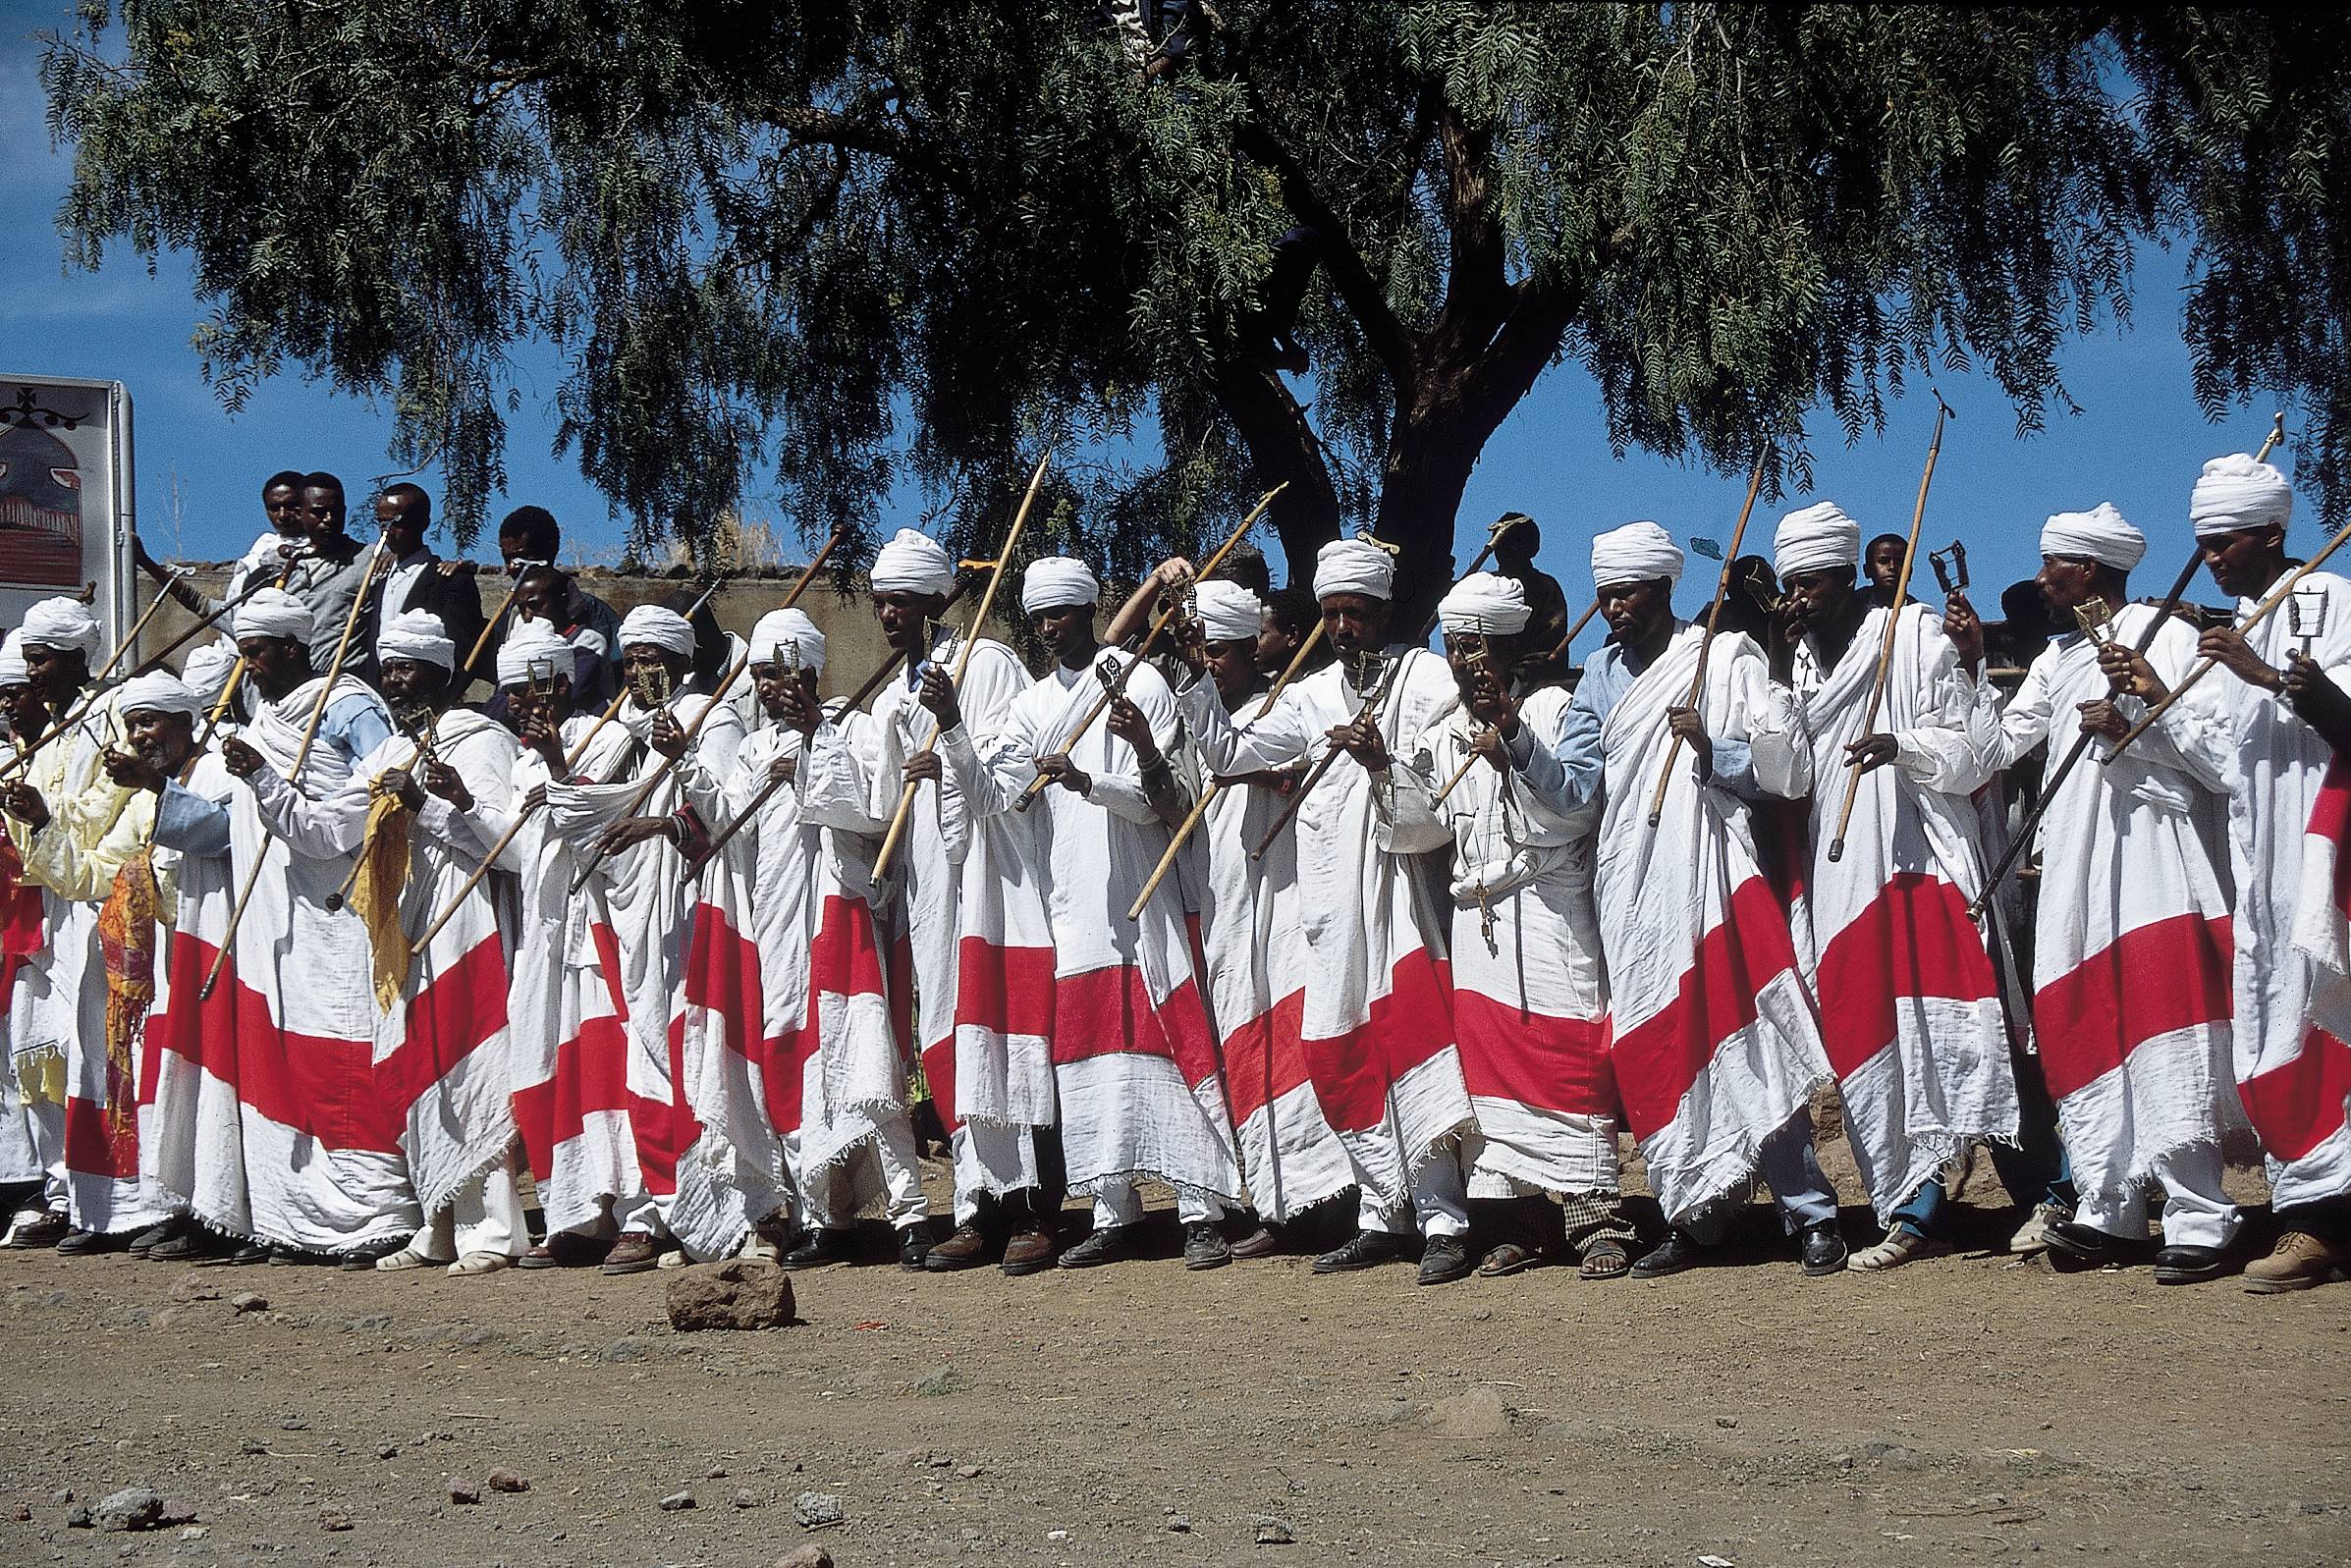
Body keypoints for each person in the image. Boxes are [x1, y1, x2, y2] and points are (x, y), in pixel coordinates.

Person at [1542, 521, 1846, 1279]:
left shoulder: (1723, 655)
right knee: (1664, 1045)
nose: (1612, 607)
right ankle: (1693, 1213)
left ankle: (1809, 1210)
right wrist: (1519, 741)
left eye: (1627, 592)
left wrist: (1714, 752)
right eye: (1605, 593)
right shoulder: (1598, 679)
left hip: (1711, 877)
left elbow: (1782, 771)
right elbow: (1576, 794)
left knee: (1748, 1040)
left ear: (1665, 587)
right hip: (1634, 889)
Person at [1172, 537, 1478, 1285]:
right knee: (1339, 1051)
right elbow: (1230, 755)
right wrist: (1192, 674)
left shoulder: (1430, 680)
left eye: (1357, 613)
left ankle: (1444, 1217)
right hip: (1333, 914)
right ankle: (1382, 1212)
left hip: (1405, 902)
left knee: (1414, 1049)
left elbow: (1442, 804)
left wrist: (1381, 762)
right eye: (1332, 614)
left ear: (1384, 612)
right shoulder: (1307, 698)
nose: (1343, 628)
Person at [1957, 506, 2244, 1283]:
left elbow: (2220, 760)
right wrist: (1972, 664)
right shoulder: (2055, 660)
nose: (2042, 579)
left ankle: (2198, 1210)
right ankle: (2109, 1203)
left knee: (2164, 1021)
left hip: (2155, 861)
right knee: (2086, 1021)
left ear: (2087, 570)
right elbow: (1992, 747)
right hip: (2076, 872)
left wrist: (2142, 711)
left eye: (2052, 565)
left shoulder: (2171, 635)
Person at [941, 558, 1242, 1271]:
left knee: (1170, 1041)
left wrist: (1094, 776)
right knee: (1090, 1058)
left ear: (1088, 609)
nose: (1050, 628)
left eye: (1062, 614)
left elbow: (1166, 804)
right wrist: (953, 729)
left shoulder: (1140, 681)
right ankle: (1115, 1209)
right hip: (1071, 905)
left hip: (1140, 892)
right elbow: (991, 799)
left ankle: (1201, 1208)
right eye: (1040, 616)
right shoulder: (1029, 705)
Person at [2099, 456, 2351, 1290]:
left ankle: (2321, 1222)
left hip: (2326, 853)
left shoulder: (2334, 600)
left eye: (2224, 541)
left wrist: (2271, 676)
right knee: (2276, 1028)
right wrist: (2160, 697)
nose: (2210, 557)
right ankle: (2309, 1210)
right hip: (2261, 868)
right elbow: (2220, 764)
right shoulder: (2235, 625)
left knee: (2330, 1021)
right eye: (2202, 543)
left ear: (2273, 534)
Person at [1766, 502, 2018, 1271]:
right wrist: (1777, 665)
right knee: (1868, 1030)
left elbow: (1973, 752)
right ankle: (1909, 1203)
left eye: (1811, 584)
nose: (1799, 599)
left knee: (1959, 1030)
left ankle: (2048, 1190)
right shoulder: (1799, 663)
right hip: (1843, 874)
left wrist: (1899, 744)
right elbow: (1787, 776)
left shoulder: (1909, 638)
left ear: (1846, 579)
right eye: (1790, 586)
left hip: (1920, 863)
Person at [238, 611, 527, 1275]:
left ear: (442, 671)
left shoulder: (480, 738)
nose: (396, 679)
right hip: (406, 923)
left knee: (472, 1064)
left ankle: (496, 1228)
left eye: (409, 666)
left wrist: (427, 799)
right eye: (389, 666)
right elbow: (320, 833)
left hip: (466, 916)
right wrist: (261, 777)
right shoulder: (391, 751)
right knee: (420, 1067)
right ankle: (437, 1220)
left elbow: (504, 848)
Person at [809, 530, 1062, 1275]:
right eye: (881, 601)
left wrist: (949, 738)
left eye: (901, 601)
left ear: (936, 600)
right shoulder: (894, 690)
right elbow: (888, 797)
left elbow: (1007, 779)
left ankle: (1035, 1208)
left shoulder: (985, 661)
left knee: (1008, 1027)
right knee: (953, 1023)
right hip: (930, 885)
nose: (887, 613)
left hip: (992, 877)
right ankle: (978, 1204)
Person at [1377, 572, 1640, 1278]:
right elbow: (1421, 828)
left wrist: (1517, 741)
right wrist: (1382, 770)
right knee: (1493, 1078)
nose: (1464, 663)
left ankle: (1596, 1218)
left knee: (1568, 1054)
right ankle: (1519, 1220)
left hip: (1548, 904)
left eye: (1476, 647)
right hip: (1479, 918)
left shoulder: (1558, 708)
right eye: (1455, 648)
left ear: (1506, 647)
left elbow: (1576, 807)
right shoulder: (1441, 731)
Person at [541, 604, 779, 1271]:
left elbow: (732, 821)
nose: (643, 669)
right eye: (633, 658)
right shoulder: (619, 733)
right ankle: (648, 1210)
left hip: (691, 913)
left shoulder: (713, 716)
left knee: (690, 1059)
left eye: (655, 658)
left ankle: (713, 1213)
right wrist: (560, 759)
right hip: (627, 920)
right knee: (634, 1062)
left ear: (679, 663)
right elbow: (593, 809)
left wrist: (666, 818)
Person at [190, 587, 413, 1264]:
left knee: (348, 1060)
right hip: (281, 918)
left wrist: (266, 781)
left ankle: (376, 1212)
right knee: (296, 1062)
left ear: (291, 647)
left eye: (255, 652)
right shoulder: (264, 718)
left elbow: (367, 803)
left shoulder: (347, 703)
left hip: (342, 910)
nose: (247, 665)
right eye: (242, 652)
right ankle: (302, 1217)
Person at [704, 608, 930, 1271]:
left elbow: (870, 812)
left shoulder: (853, 726)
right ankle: (826, 1214)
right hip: (779, 927)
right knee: (796, 1067)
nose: (769, 689)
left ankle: (911, 1212)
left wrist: (812, 749)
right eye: (760, 678)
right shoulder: (751, 745)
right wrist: (686, 770)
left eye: (778, 675)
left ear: (807, 669)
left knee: (865, 1061)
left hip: (842, 914)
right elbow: (727, 825)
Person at [0, 597, 176, 1251]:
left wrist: (49, 819)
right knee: (69, 1058)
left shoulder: (112, 717)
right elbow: (45, 829)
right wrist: (29, 810)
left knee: (114, 1051)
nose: (34, 672)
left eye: (42, 659)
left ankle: (141, 1201)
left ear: (78, 656)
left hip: (108, 903)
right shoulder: (56, 726)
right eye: (28, 661)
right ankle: (84, 1200)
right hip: (59, 904)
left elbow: (99, 817)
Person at [110, 670, 252, 1265]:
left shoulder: (222, 764)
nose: (141, 736)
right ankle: (189, 1204)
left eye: (150, 723)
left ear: (186, 721)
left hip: (230, 937)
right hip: (180, 944)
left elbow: (223, 834)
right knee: (183, 1080)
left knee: (227, 1076)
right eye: (131, 726)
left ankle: (230, 1213)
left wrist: (156, 791)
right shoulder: (164, 778)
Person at [0, 633, 56, 1236]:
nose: (11, 705)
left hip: (47, 918)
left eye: (18, 691)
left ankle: (40, 1183)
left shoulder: (71, 744)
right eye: (3, 696)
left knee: (42, 1053)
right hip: (11, 921)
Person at [357, 485, 487, 689]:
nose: (388, 531)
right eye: (382, 523)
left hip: (427, 697)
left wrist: (444, 698)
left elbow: (463, 651)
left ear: (423, 523)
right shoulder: (379, 579)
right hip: (381, 696)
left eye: (396, 522)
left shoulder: (449, 580)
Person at [1491, 514, 1573, 683]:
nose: (1505, 549)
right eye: (1501, 543)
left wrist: (1515, 678)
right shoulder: (1482, 586)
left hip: (1533, 680)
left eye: (1513, 543)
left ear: (1531, 547)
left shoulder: (1545, 587)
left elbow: (1550, 645)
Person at [1865, 532, 1911, 604]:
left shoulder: (1921, 613)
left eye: (1900, 562)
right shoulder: (1849, 608)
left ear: (1910, 573)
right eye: (1883, 561)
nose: (1892, 567)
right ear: (1867, 570)